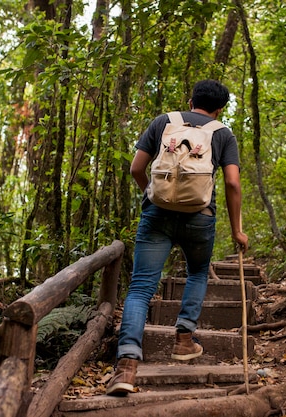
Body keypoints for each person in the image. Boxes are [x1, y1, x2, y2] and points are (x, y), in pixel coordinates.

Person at [106, 79, 249, 396]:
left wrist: (151, 197)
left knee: (142, 286)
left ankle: (126, 365)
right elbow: (233, 184)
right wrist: (238, 230)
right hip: (200, 217)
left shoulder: (163, 122)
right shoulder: (222, 133)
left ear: (191, 99)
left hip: (156, 214)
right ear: (220, 108)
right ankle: (184, 338)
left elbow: (136, 168)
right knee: (197, 271)